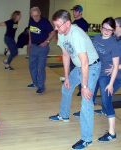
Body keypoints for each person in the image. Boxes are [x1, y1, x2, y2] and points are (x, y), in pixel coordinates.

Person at [49, 10, 101, 149]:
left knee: (86, 102)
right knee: (66, 88)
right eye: (55, 25)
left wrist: (84, 87)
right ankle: (64, 115)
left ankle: (86, 139)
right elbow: (65, 55)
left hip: (91, 67)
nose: (55, 28)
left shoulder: (76, 35)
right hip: (79, 67)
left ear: (67, 23)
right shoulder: (62, 33)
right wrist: (66, 77)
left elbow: (85, 63)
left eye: (58, 25)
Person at [92, 17, 121, 142]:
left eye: (111, 29)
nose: (107, 31)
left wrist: (118, 67)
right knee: (101, 97)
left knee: (106, 99)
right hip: (99, 71)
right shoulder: (98, 38)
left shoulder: (114, 42)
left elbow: (115, 65)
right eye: (104, 28)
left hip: (112, 75)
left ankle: (112, 133)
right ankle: (103, 110)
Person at [27, 7, 55, 94]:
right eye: (33, 16)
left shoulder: (45, 22)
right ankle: (35, 83)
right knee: (32, 66)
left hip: (43, 48)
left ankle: (41, 86)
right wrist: (30, 42)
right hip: (34, 46)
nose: (35, 18)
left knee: (40, 68)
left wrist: (46, 42)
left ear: (39, 14)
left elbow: (52, 32)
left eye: (36, 15)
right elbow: (30, 32)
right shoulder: (31, 20)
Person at [71, 5, 89, 97]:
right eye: (73, 11)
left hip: (80, 51)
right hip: (73, 50)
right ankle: (74, 86)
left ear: (80, 12)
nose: (74, 12)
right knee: (73, 69)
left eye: (75, 11)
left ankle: (82, 88)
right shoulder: (74, 22)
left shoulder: (84, 23)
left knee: (81, 70)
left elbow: (83, 37)